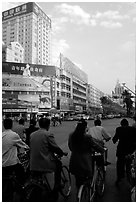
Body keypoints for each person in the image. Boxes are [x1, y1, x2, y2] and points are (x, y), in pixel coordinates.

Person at [30, 117, 65, 200]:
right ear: (48, 125)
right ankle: (57, 186)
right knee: (59, 164)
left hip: (33, 162)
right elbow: (55, 147)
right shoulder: (48, 134)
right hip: (44, 162)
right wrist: (61, 153)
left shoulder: (32, 134)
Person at [68, 119, 105, 189]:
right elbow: (94, 145)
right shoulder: (87, 137)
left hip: (74, 159)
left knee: (78, 179)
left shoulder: (71, 135)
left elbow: (70, 146)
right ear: (85, 128)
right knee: (88, 177)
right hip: (85, 161)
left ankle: (79, 193)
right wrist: (102, 150)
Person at [2, 118, 29, 187]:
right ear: (11, 125)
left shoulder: (2, 135)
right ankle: (21, 187)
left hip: (2, 162)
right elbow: (23, 145)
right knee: (21, 172)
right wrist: (28, 148)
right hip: (10, 162)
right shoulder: (13, 135)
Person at [112, 118, 136, 185]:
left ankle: (119, 178)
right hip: (130, 151)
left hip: (121, 150)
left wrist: (114, 140)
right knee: (129, 165)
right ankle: (130, 179)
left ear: (121, 124)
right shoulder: (133, 129)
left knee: (120, 165)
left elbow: (114, 139)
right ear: (128, 124)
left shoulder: (119, 129)